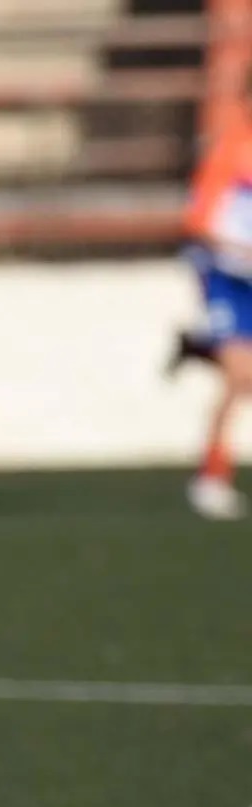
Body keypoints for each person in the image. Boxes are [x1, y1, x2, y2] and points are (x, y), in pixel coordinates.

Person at [175, 91, 252, 520]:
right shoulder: (233, 148)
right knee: (240, 375)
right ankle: (211, 477)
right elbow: (200, 221)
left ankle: (200, 346)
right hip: (226, 276)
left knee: (243, 378)